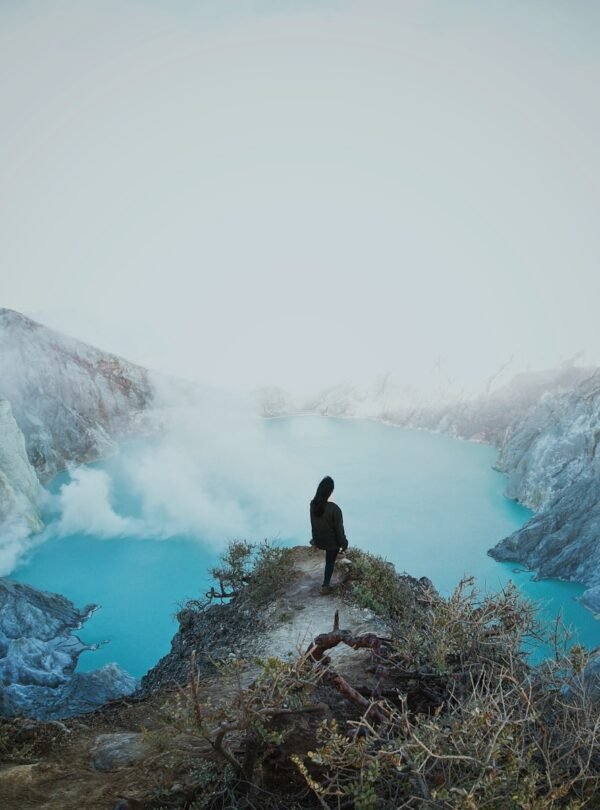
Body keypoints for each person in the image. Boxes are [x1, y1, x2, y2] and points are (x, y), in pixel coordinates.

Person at [309, 475, 348, 593]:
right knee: (330, 561)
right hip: (330, 544)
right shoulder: (335, 509)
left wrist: (315, 540)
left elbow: (313, 524)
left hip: (318, 540)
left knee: (330, 546)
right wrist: (344, 544)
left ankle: (320, 545)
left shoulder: (313, 505)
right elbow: (339, 531)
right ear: (330, 492)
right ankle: (325, 586)